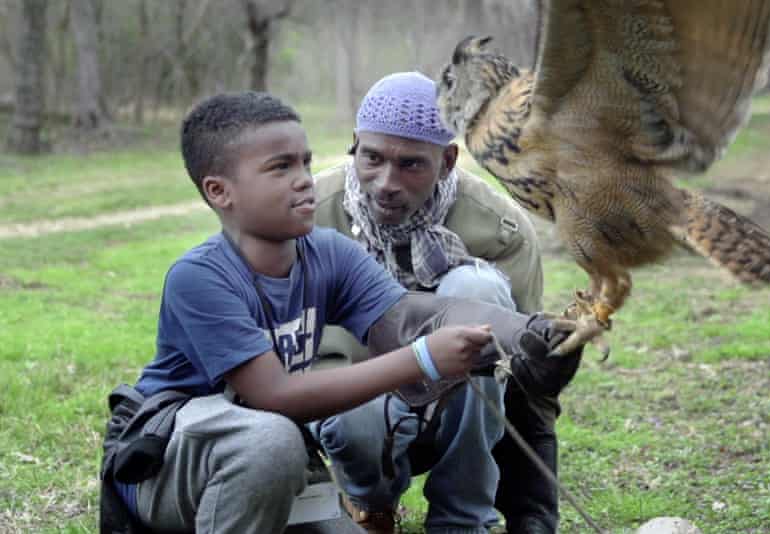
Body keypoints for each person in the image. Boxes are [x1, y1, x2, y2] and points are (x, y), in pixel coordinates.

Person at [98, 91, 589, 534]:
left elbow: (407, 317)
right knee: (268, 441)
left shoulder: (327, 252)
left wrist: (526, 333)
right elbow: (276, 395)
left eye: (305, 163)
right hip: (166, 467)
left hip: (275, 460)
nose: (304, 182)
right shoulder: (199, 277)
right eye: (280, 168)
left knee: (277, 450)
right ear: (219, 192)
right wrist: (425, 359)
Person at [312, 72, 581, 534]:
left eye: (411, 164)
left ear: (448, 160)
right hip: (351, 405)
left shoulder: (501, 230)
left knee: (476, 293)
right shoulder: (308, 215)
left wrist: (532, 507)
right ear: (354, 146)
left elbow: (524, 384)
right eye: (372, 158)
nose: (386, 183)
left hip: (459, 409)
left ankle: (461, 517)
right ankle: (370, 504)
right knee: (353, 423)